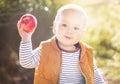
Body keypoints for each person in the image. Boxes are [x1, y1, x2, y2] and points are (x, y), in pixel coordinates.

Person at [17, 4, 105, 84]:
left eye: (76, 28)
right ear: (55, 27)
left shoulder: (86, 53)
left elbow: (96, 77)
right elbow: (26, 62)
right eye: (64, 25)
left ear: (82, 33)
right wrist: (26, 37)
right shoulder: (46, 49)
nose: (69, 31)